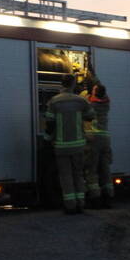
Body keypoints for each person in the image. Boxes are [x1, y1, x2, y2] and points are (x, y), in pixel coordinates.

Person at [45, 74, 94, 214]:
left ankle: (70, 205)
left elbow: (50, 124)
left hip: (61, 147)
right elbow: (91, 116)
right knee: (78, 175)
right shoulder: (81, 101)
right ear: (73, 84)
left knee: (65, 176)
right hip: (78, 146)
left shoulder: (54, 102)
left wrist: (47, 140)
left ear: (62, 84)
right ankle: (80, 203)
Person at [85, 83, 114, 208]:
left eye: (93, 90)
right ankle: (108, 197)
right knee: (105, 170)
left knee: (92, 170)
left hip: (94, 140)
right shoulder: (106, 104)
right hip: (105, 140)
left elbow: (83, 104)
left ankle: (95, 198)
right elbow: (103, 93)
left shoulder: (91, 105)